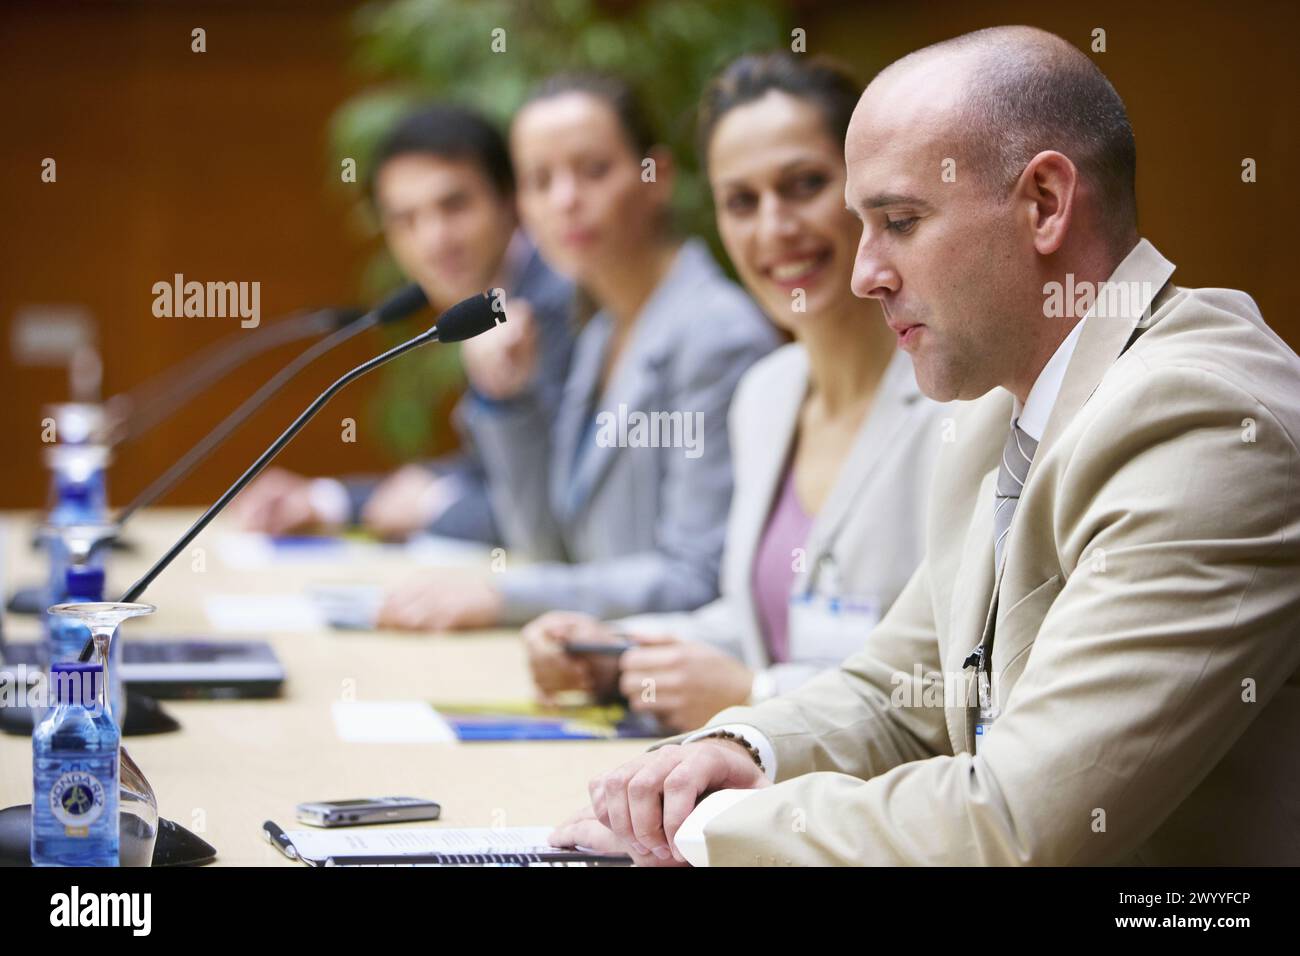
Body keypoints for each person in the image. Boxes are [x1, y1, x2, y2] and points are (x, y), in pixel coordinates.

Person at [553, 26, 1300, 866]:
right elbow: (898, 696)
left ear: (1046, 204)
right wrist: (738, 750)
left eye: (900, 221)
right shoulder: (997, 404)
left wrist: (700, 831)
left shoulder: (1202, 422)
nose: (864, 272)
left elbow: (1019, 820)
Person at [523, 53, 947, 734]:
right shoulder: (768, 394)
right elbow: (757, 621)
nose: (774, 229)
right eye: (742, 202)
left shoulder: (958, 403)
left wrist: (756, 693)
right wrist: (615, 650)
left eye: (804, 185)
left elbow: (959, 689)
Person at [376, 73, 780, 632]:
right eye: (540, 181)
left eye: (592, 171)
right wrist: (507, 402)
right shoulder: (598, 331)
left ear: (654, 177)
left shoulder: (715, 334)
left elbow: (697, 577)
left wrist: (504, 597)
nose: (565, 201)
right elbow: (546, 541)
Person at [230, 104, 574, 544]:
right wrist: (327, 499)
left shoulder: (559, 303)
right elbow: (492, 465)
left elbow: (560, 514)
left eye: (455, 205)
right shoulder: (495, 301)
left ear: (511, 200)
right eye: (405, 219)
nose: (434, 240)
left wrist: (435, 505)